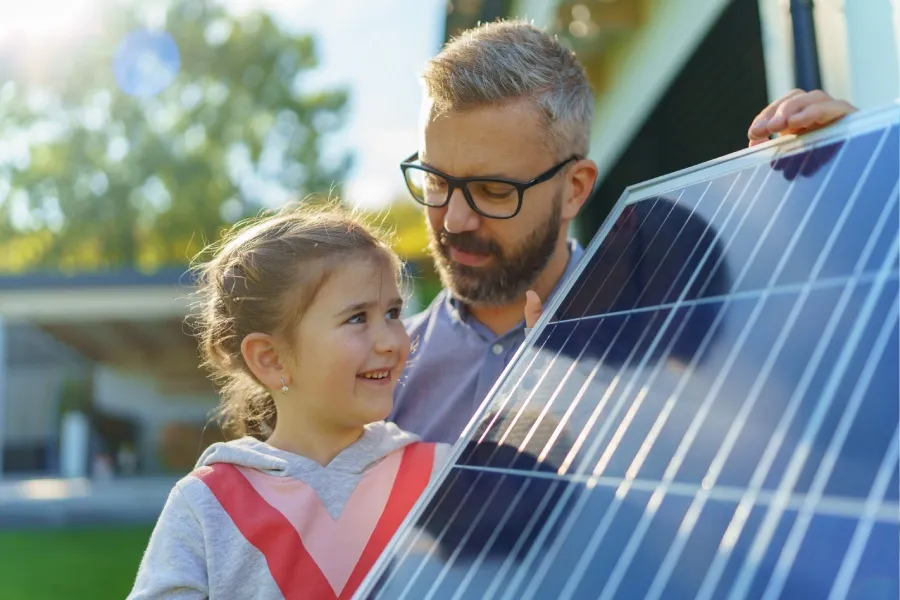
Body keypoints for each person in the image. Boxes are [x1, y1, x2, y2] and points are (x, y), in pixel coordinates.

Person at [390, 19, 857, 444]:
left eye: (492, 190)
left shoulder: (677, 340)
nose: (453, 220)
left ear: (575, 189)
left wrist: (851, 191)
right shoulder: (371, 378)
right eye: (435, 180)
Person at [126, 203, 548, 600]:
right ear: (271, 359)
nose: (391, 341)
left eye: (393, 313)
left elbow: (543, 540)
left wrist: (543, 380)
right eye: (357, 318)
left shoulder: (441, 475)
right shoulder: (207, 504)